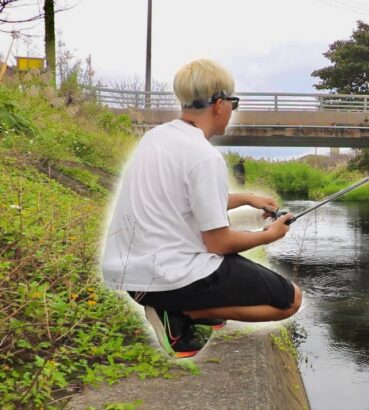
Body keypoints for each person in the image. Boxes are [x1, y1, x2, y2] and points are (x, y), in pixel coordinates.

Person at [101, 59, 301, 358]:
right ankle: (185, 313)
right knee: (290, 300)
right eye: (233, 102)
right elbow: (219, 243)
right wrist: (269, 234)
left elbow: (183, 201)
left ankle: (189, 307)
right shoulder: (204, 156)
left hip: (132, 272)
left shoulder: (156, 138)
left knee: (231, 266)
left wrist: (247, 197)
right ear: (219, 104)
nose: (232, 110)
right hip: (168, 278)